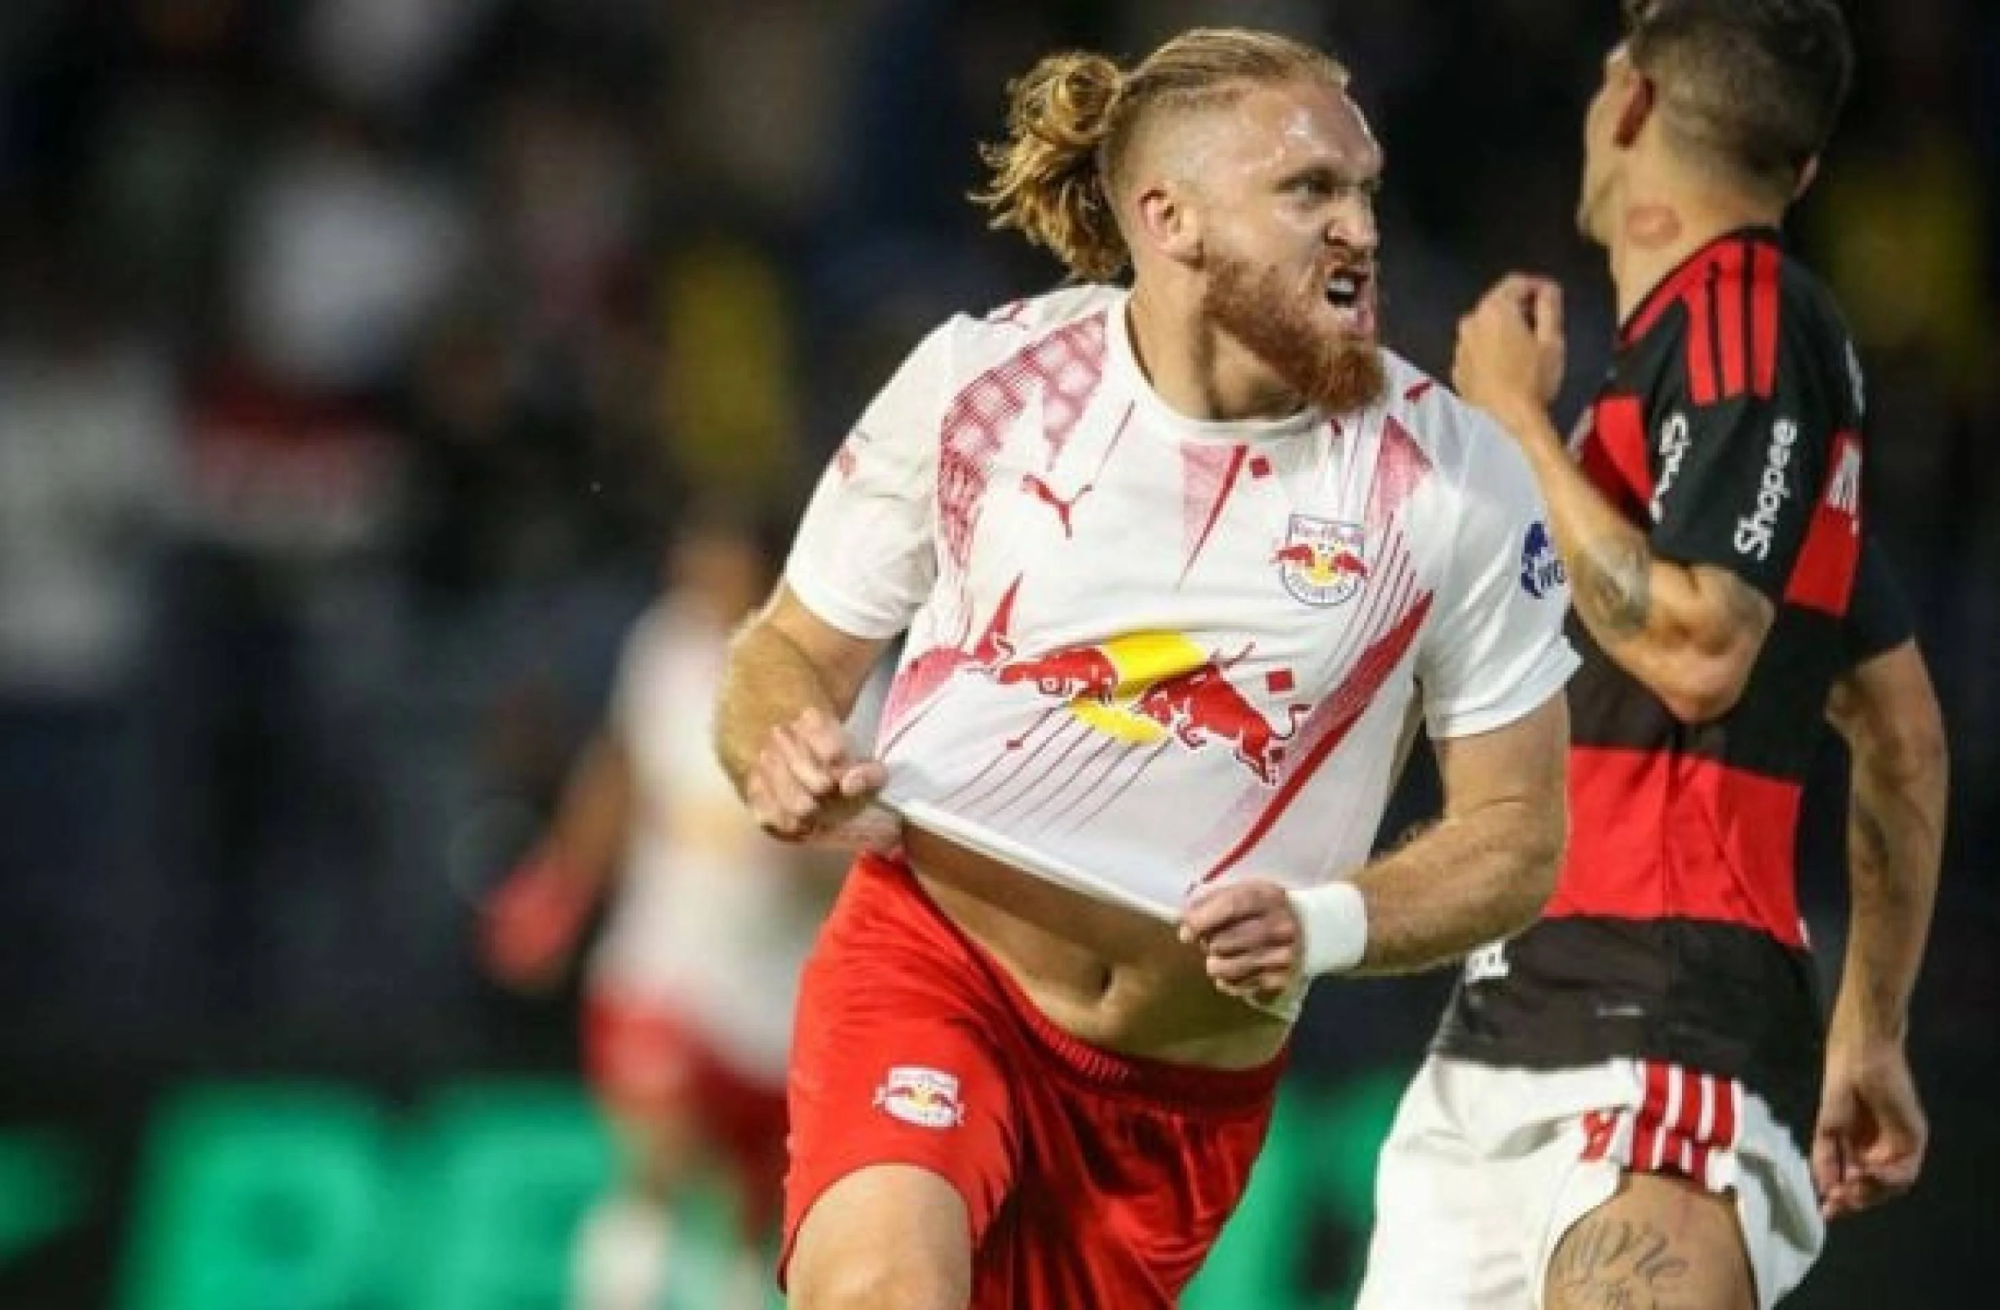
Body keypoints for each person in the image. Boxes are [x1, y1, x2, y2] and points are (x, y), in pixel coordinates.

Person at [712, 27, 1580, 1310]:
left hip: (1174, 1100)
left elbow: (1519, 836)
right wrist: (779, 743)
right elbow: (781, 649)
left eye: (1362, 191)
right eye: (1308, 191)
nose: (1357, 228)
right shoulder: (982, 384)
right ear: (1168, 218)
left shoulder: (1448, 480)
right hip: (931, 965)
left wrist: (1323, 921)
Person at [1357, 3, 1950, 1308]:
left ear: (1627, 103)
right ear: (1799, 167)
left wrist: (1512, 419)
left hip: (1651, 1033)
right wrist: (1872, 1025)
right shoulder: (1697, 381)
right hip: (1512, 1037)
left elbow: (1698, 648)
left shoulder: (1745, 317)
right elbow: (1897, 726)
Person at [483, 512, 848, 1310]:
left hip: (775, 992)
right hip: (662, 961)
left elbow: (864, 855)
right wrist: (563, 882)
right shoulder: (667, 647)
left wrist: (799, 856)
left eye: (717, 568)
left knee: (758, 1221)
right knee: (654, 1159)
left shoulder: (838, 680)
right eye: (692, 567)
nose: (700, 589)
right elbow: (622, 763)